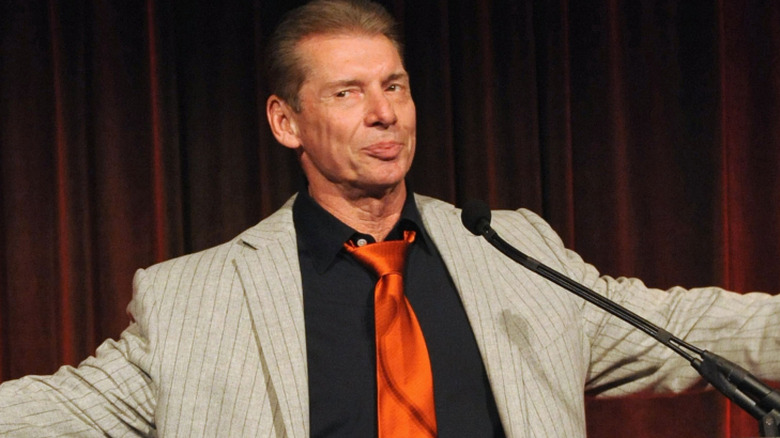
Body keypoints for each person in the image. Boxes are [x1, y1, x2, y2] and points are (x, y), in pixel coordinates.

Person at [1, 0, 779, 436]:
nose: (383, 114)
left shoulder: (511, 252)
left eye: (395, 86)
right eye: (347, 94)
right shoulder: (197, 298)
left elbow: (678, 325)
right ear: (286, 122)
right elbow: (60, 410)